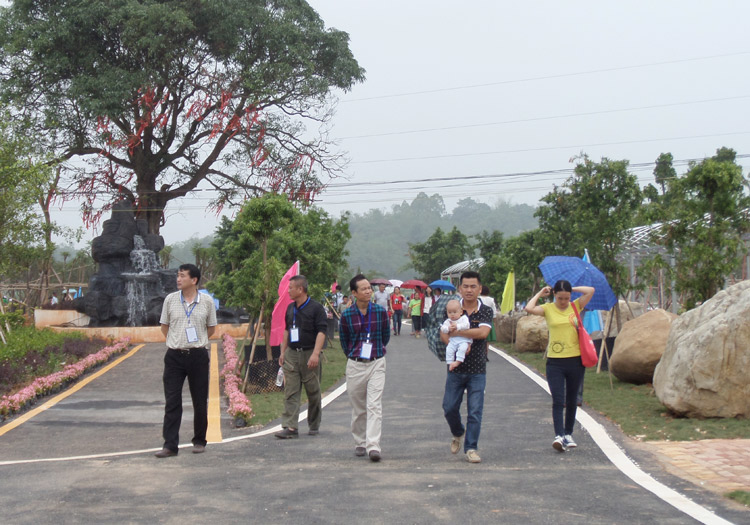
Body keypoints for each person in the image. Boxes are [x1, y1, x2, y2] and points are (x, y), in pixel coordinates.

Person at [155, 263, 217, 458]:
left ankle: (199, 440)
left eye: (182, 276)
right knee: (172, 401)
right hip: (174, 356)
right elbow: (164, 327)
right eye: (178, 275)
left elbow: (211, 328)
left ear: (194, 280)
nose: (178, 279)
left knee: (200, 401)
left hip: (197, 356)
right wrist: (177, 340)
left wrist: (197, 341)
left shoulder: (206, 301)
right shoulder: (170, 300)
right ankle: (170, 445)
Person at [525, 280, 595, 452]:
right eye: (560, 298)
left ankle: (568, 433)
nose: (563, 302)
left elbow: (590, 290)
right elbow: (529, 308)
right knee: (558, 399)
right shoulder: (548, 309)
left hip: (576, 360)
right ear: (554, 295)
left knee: (572, 399)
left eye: (566, 298)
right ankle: (559, 435)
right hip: (555, 361)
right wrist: (541, 293)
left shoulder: (576, 306)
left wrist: (573, 288)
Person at [441, 271, 493, 463]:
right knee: (449, 407)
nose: (469, 290)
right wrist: (453, 345)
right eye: (466, 286)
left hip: (478, 368)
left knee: (475, 410)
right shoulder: (452, 308)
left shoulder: (485, 310)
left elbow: (483, 332)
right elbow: (443, 332)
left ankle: (471, 447)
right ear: (460, 288)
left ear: (479, 289)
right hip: (456, 368)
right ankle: (457, 432)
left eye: (473, 286)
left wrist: (459, 333)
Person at [339, 274, 390, 462]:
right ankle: (360, 442)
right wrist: (354, 355)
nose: (368, 291)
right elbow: (344, 342)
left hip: (376, 361)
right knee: (359, 407)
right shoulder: (346, 315)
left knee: (374, 405)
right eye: (364, 288)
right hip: (355, 364)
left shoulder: (380, 312)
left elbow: (385, 336)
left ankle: (373, 446)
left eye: (369, 288)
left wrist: (376, 351)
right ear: (354, 293)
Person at [274, 275, 328, 439]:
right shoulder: (290, 308)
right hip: (292, 353)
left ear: (300, 289)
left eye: (291, 287)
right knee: (291, 391)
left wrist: (315, 354)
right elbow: (287, 330)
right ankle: (290, 427)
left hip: (309, 353)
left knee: (313, 391)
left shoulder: (316, 308)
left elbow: (322, 331)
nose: (288, 290)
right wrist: (283, 352)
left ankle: (313, 424)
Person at [440, 299, 471, 371]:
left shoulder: (463, 318)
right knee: (449, 349)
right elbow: (443, 328)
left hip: (463, 340)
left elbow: (467, 325)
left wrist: (458, 326)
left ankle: (458, 361)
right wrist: (448, 328)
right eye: (449, 312)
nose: (452, 314)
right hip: (453, 340)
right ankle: (450, 362)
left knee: (463, 349)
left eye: (454, 312)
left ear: (461, 312)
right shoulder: (448, 321)